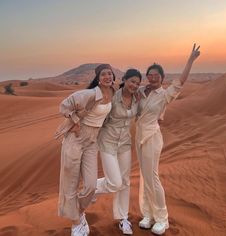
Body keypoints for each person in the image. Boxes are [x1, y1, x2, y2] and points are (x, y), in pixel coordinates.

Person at [135, 44, 200, 235]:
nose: (153, 77)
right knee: (144, 177)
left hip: (152, 137)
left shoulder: (164, 95)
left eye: (156, 75)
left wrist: (190, 59)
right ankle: (148, 214)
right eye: (150, 74)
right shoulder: (140, 92)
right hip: (139, 137)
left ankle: (162, 219)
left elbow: (181, 81)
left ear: (162, 78)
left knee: (152, 177)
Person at [55, 64, 115, 236]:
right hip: (75, 139)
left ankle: (79, 212)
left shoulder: (112, 93)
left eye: (110, 73)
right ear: (98, 77)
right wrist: (74, 121)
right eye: (103, 74)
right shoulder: (89, 94)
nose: (107, 77)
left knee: (90, 185)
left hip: (92, 141)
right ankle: (76, 223)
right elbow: (64, 106)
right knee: (70, 183)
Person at [95, 69, 142, 235]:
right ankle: (91, 187)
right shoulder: (112, 96)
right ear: (124, 79)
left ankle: (122, 218)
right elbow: (98, 116)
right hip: (107, 142)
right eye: (132, 81)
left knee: (125, 181)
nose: (134, 85)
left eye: (137, 83)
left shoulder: (137, 98)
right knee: (115, 182)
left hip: (124, 143)